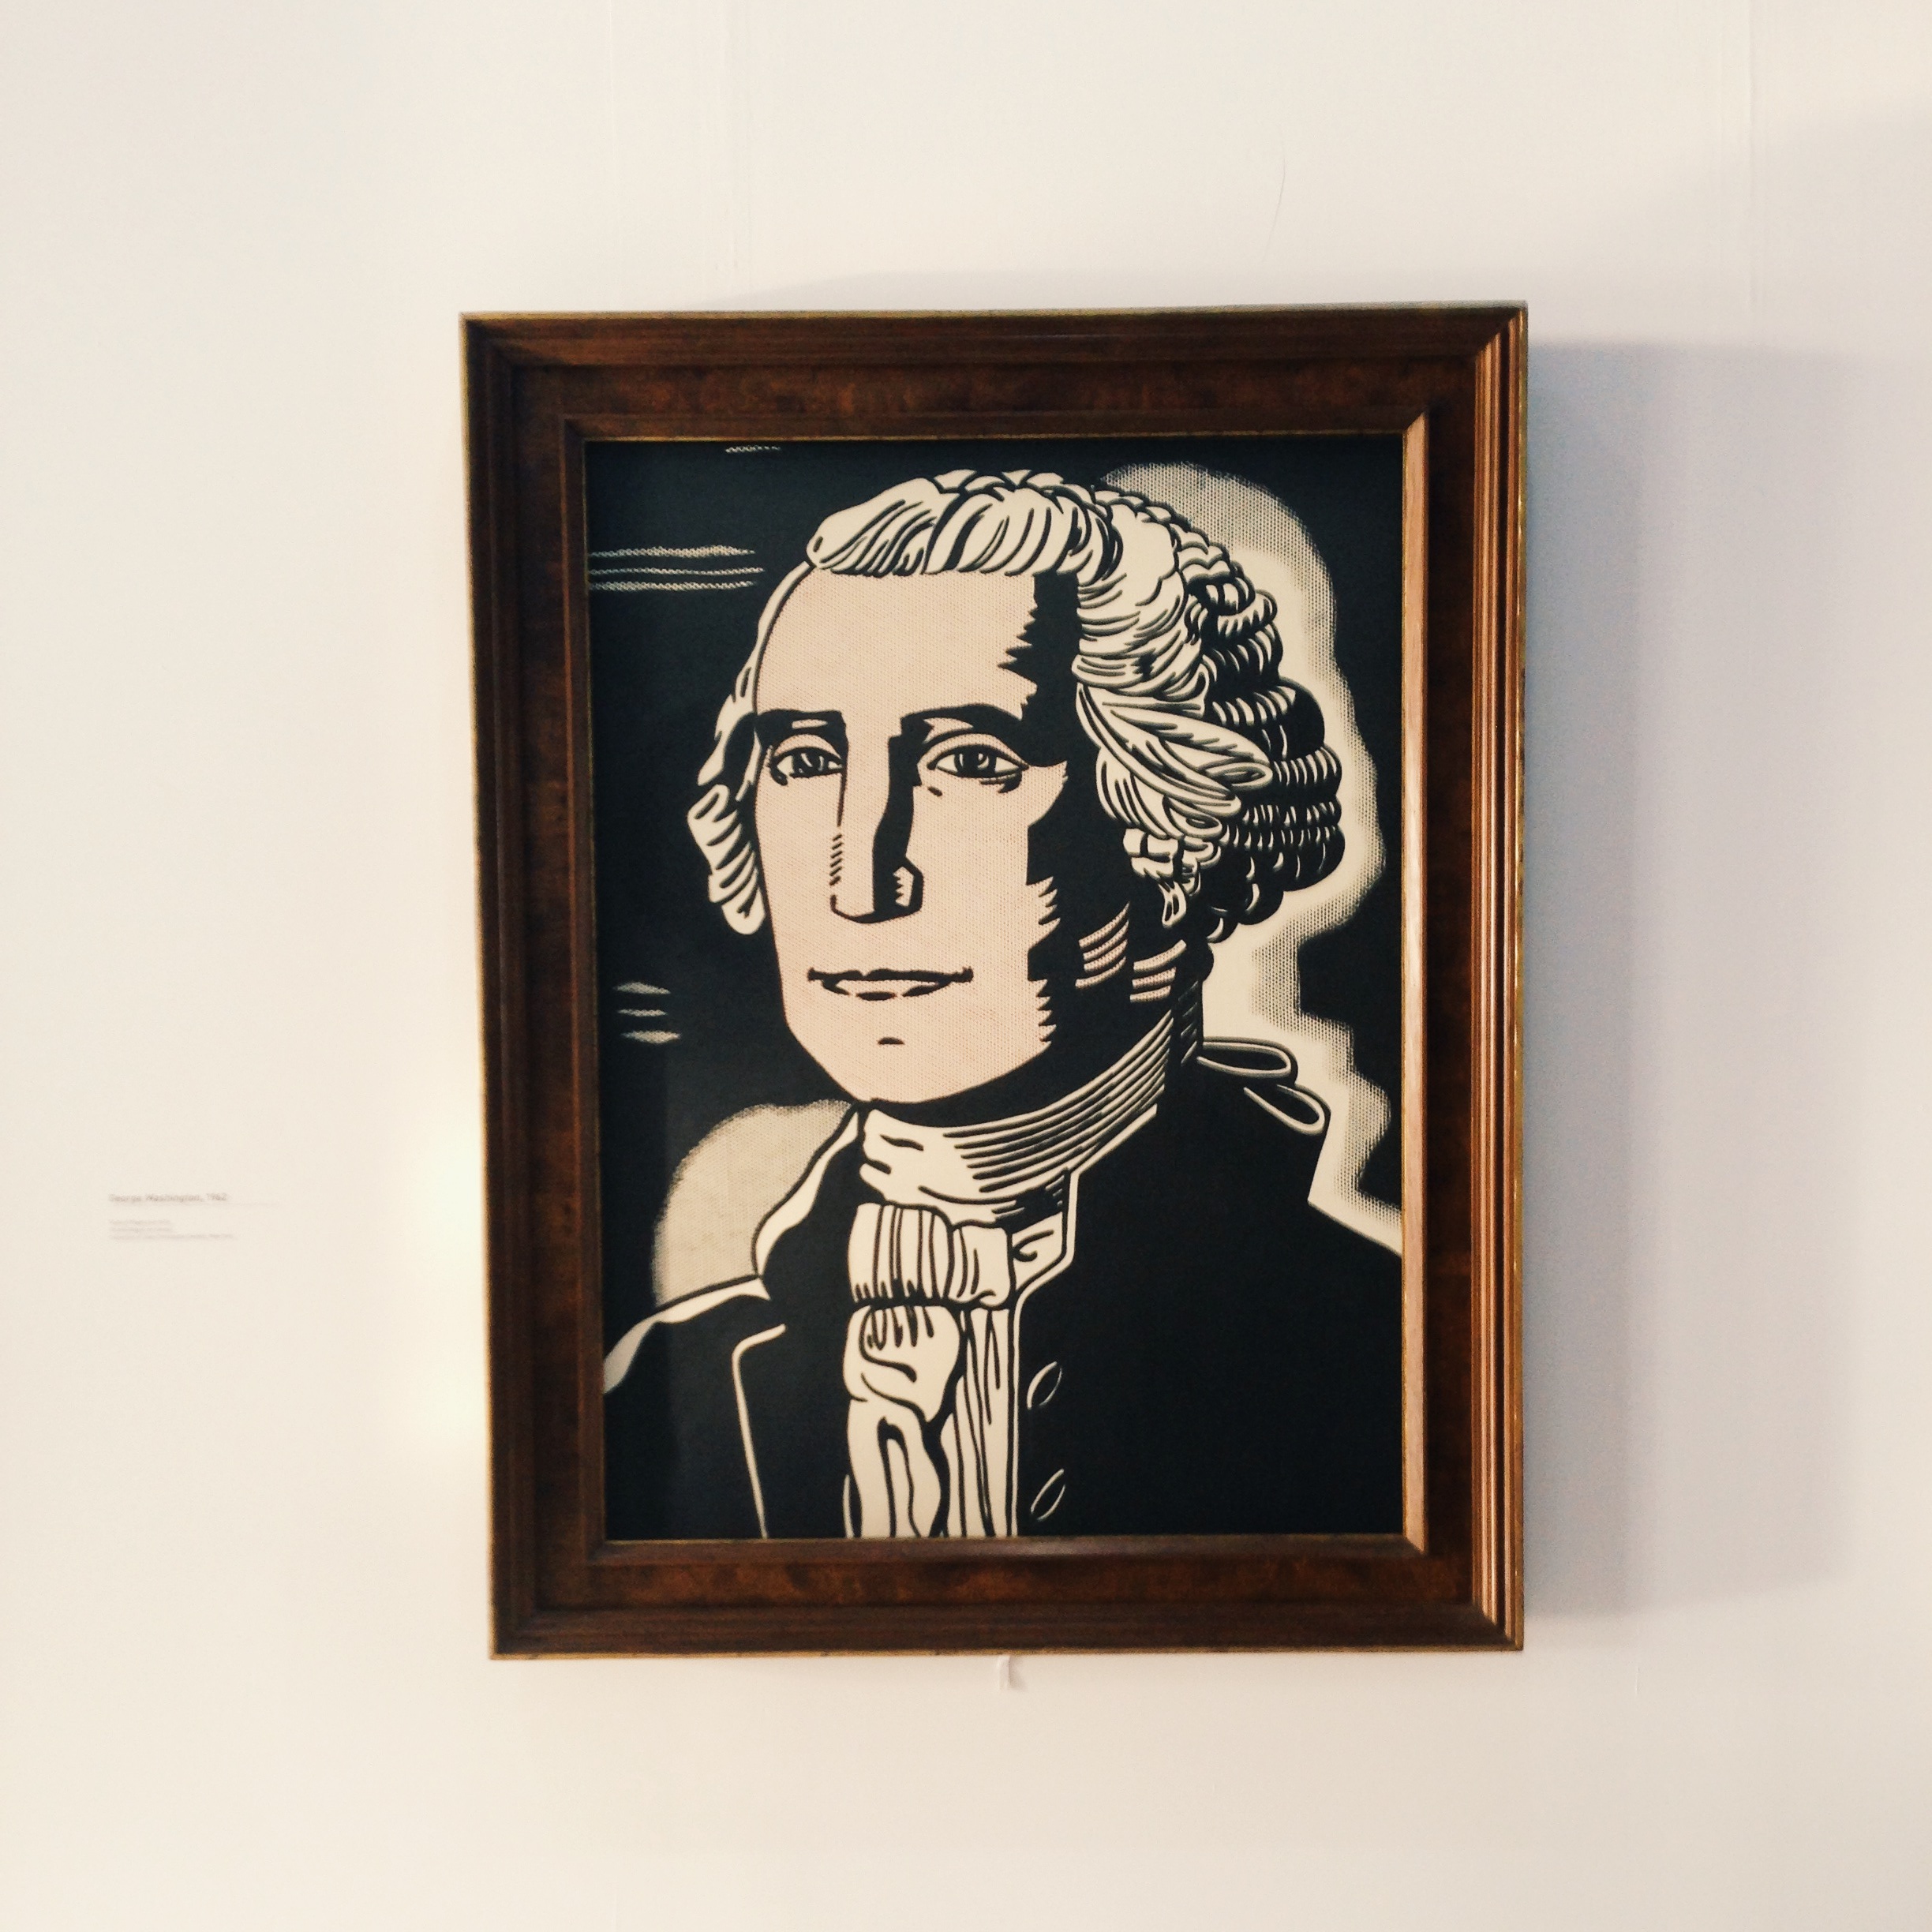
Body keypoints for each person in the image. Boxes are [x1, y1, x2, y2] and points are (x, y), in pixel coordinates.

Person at [603, 469, 1402, 1540]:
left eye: (969, 760)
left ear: (1177, 823)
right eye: (807, 759)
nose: (861, 880)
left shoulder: (1380, 1357)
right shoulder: (660, 1394)